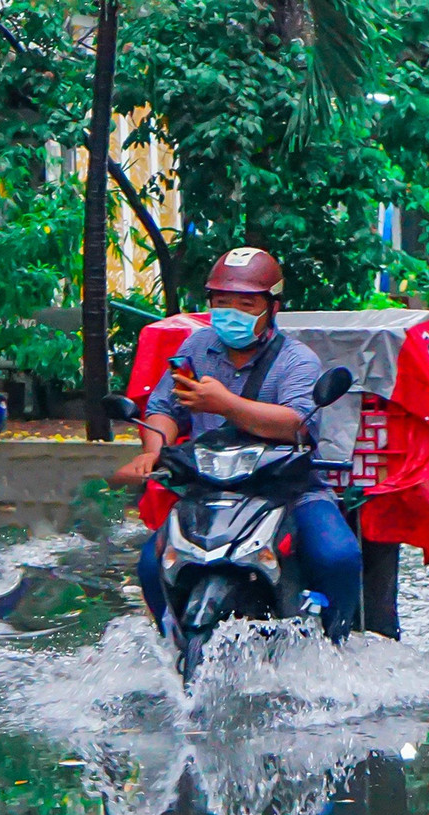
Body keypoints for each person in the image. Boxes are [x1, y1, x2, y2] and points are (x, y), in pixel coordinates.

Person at [116, 247, 363, 641]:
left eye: (246, 303)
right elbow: (164, 407)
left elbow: (297, 424)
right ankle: (170, 642)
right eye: (222, 302)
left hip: (286, 490)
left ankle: (338, 646)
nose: (231, 311)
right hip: (210, 490)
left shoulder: (297, 361)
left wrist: (225, 405)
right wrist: (153, 447)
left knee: (338, 556)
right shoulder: (196, 350)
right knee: (151, 563)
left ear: (272, 307)